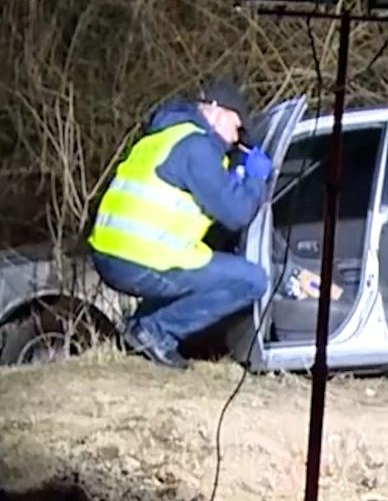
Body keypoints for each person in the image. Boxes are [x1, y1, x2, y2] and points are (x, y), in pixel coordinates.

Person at [87, 76, 275, 369]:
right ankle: (155, 331)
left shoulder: (166, 136)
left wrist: (237, 171)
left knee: (199, 266)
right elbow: (237, 214)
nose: (238, 136)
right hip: (140, 258)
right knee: (252, 280)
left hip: (111, 252)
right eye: (238, 126)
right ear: (219, 111)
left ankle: (141, 330)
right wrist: (255, 179)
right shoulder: (197, 148)